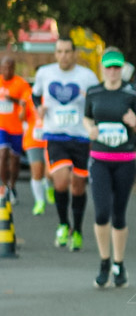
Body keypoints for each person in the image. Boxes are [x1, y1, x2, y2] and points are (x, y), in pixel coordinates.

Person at [83, 48, 136, 287]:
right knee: (101, 212)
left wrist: (135, 123)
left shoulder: (131, 94)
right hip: (99, 158)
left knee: (118, 213)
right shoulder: (94, 92)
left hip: (124, 160)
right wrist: (90, 128)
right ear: (102, 68)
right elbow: (87, 117)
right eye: (108, 67)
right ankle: (104, 260)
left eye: (116, 67)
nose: (112, 71)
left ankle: (119, 263)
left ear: (122, 68)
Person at [32, 37, 100, 251]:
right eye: (59, 51)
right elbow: (35, 96)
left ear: (74, 53)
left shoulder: (87, 76)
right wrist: (39, 109)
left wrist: (88, 100)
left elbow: (98, 101)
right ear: (55, 53)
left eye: (67, 51)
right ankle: (63, 224)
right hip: (55, 135)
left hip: (80, 137)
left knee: (78, 186)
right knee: (60, 182)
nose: (63, 56)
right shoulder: (45, 73)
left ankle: (77, 230)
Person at [0, 56, 32, 204]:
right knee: (3, 154)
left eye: (10, 68)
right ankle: (4, 186)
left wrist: (11, 99)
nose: (7, 70)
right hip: (2, 127)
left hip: (17, 129)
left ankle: (12, 186)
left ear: (14, 68)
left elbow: (24, 101)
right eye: (5, 67)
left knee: (15, 161)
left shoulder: (21, 83)